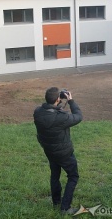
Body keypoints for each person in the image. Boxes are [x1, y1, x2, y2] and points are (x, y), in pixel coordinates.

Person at [33, 87, 83, 215]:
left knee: (55, 175)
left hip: (49, 150)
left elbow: (50, 111)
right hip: (64, 153)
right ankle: (65, 208)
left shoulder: (38, 112)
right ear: (57, 99)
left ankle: (56, 202)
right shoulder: (61, 117)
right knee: (73, 176)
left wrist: (57, 103)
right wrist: (70, 101)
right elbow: (78, 117)